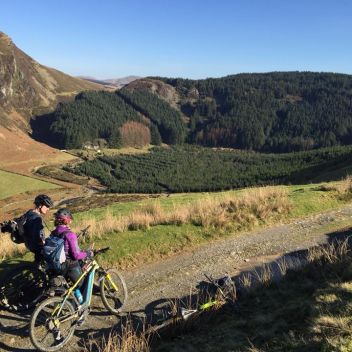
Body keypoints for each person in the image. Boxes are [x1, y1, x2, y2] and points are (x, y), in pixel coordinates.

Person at [51, 208, 92, 297]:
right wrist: (87, 253)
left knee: (69, 286)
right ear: (67, 220)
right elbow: (76, 255)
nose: (71, 221)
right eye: (70, 219)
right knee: (83, 284)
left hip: (56, 265)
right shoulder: (70, 234)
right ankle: (80, 306)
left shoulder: (53, 233)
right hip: (69, 265)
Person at [23, 194, 54, 263]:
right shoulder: (37, 218)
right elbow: (36, 234)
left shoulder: (30, 212)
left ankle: (37, 264)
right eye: (47, 206)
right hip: (35, 244)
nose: (48, 208)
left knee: (39, 258)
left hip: (28, 242)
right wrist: (42, 242)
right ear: (40, 205)